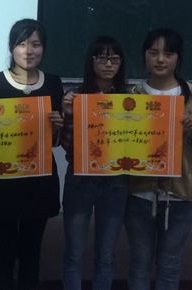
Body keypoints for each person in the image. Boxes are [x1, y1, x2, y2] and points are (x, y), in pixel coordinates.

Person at [124, 28, 192, 290]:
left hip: (180, 196)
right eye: (153, 52)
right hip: (139, 196)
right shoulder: (131, 96)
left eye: (168, 53)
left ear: (178, 58)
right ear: (144, 56)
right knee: (139, 263)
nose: (160, 59)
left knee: (169, 264)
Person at [0, 18, 64, 290]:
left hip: (39, 182)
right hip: (2, 182)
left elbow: (55, 141)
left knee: (31, 252)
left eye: (36, 44)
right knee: (3, 251)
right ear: (11, 47)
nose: (29, 51)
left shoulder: (53, 83)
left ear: (44, 48)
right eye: (22, 44)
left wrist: (58, 126)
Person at [60, 36, 129, 290]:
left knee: (106, 255)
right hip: (80, 179)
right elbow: (66, 145)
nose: (109, 64)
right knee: (74, 253)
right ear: (92, 61)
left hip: (115, 182)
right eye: (102, 58)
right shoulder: (76, 97)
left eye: (115, 59)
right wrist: (69, 115)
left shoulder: (131, 100)